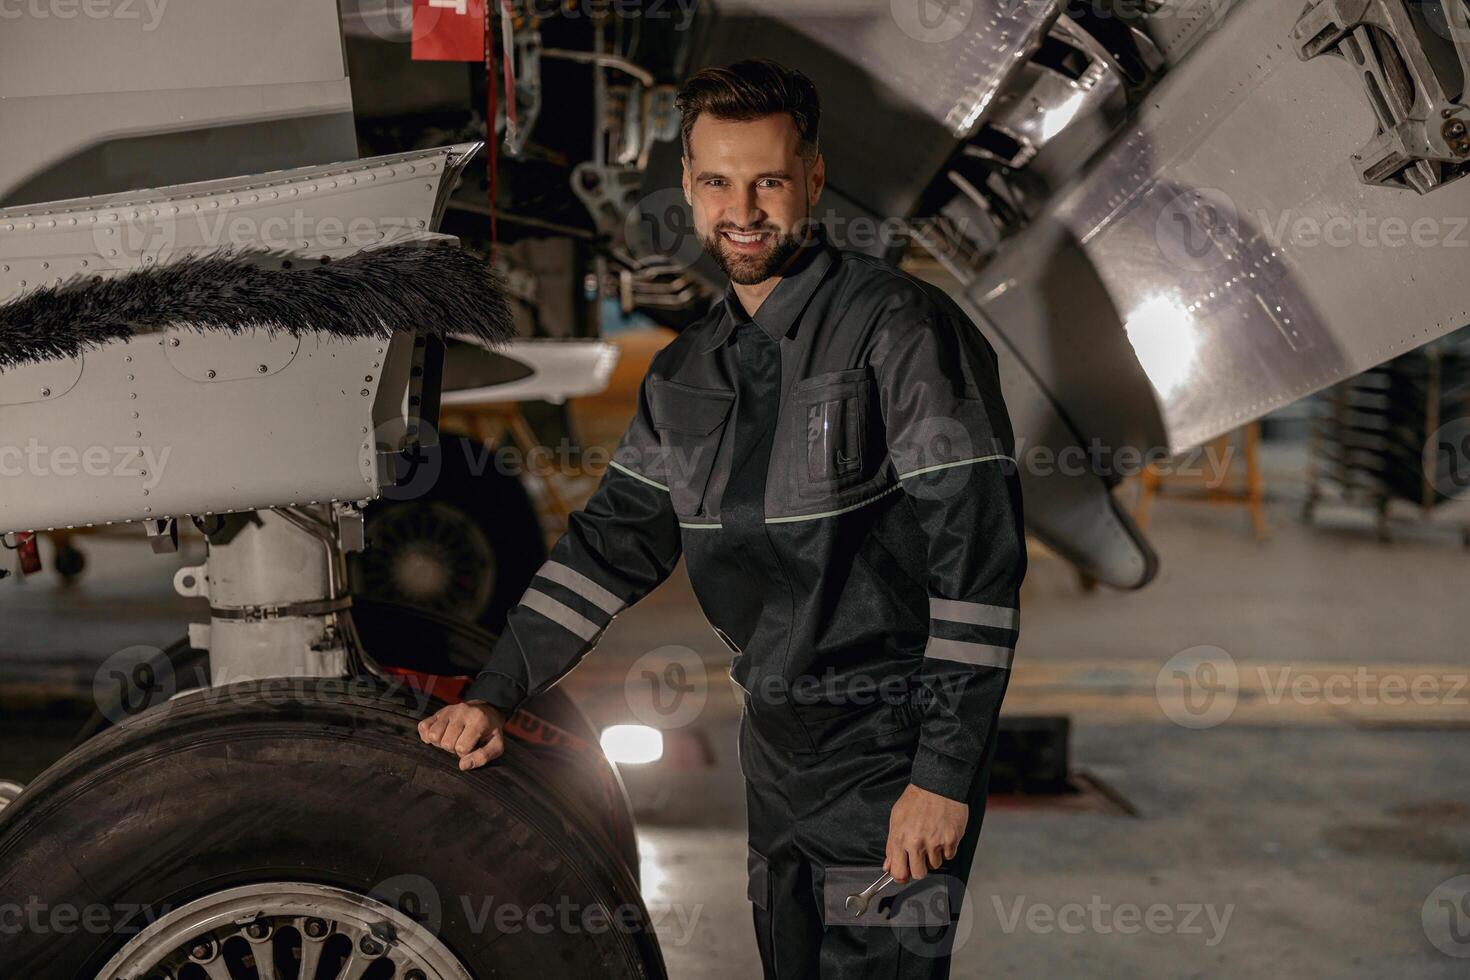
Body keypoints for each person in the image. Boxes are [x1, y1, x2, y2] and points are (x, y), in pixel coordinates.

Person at [418, 57, 1026, 979]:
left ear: (812, 181)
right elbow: (607, 548)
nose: (742, 209)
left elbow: (976, 567)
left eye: (769, 181)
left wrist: (941, 777)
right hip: (776, 752)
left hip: (890, 748)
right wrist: (494, 691)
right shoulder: (687, 373)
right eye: (716, 182)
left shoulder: (899, 330)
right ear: (690, 192)